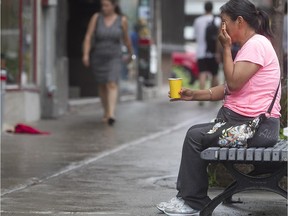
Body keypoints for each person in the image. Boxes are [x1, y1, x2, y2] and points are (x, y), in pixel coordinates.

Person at [156, 0, 281, 215]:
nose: (221, 28)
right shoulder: (252, 45)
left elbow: (233, 83)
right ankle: (191, 198)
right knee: (197, 133)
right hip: (252, 127)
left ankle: (192, 201)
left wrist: (224, 47)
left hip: (255, 129)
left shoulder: (256, 45)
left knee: (195, 136)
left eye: (224, 22)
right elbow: (229, 88)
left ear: (239, 21)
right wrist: (193, 94)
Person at [82, 0, 133, 126]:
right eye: (102, 5)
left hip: (114, 57)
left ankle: (111, 114)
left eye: (106, 5)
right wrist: (86, 54)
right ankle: (106, 111)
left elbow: (126, 39)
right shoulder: (96, 18)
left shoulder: (122, 20)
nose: (103, 8)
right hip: (98, 56)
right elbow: (88, 36)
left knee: (111, 83)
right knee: (102, 85)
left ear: (113, 6)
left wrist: (131, 54)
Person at [193, 1, 221, 106]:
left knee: (202, 73)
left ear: (204, 9)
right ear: (212, 8)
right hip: (214, 52)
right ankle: (214, 97)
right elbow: (219, 38)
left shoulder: (197, 21)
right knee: (215, 74)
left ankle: (201, 99)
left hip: (201, 52)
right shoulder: (217, 20)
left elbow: (195, 36)